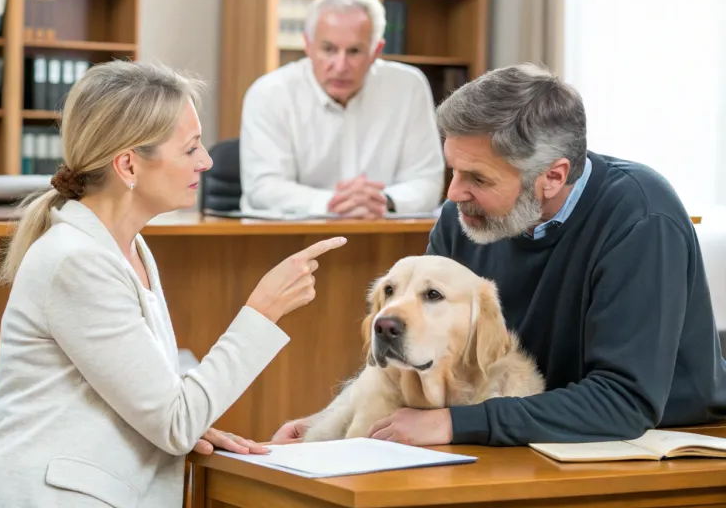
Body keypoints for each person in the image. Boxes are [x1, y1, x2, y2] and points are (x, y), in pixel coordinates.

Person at [0, 61, 347, 507]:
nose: (207, 161)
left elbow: (157, 404)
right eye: (191, 148)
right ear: (128, 166)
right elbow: (174, 421)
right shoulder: (76, 262)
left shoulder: (127, 247)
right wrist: (263, 311)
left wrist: (181, 419)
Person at [271, 63, 726, 447]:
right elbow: (425, 352)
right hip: (521, 433)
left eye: (478, 178)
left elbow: (624, 401)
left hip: (653, 444)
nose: (453, 193)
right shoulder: (464, 217)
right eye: (452, 169)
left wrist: (458, 423)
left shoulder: (641, 219)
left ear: (552, 176)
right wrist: (327, 425)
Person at [239, 0, 445, 219]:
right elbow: (264, 187)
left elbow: (427, 181)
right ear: (307, 45)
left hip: (382, 232)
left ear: (375, 51)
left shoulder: (408, 87)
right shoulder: (269, 93)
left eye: (355, 51)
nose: (340, 66)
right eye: (329, 49)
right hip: (288, 239)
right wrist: (336, 203)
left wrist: (383, 201)